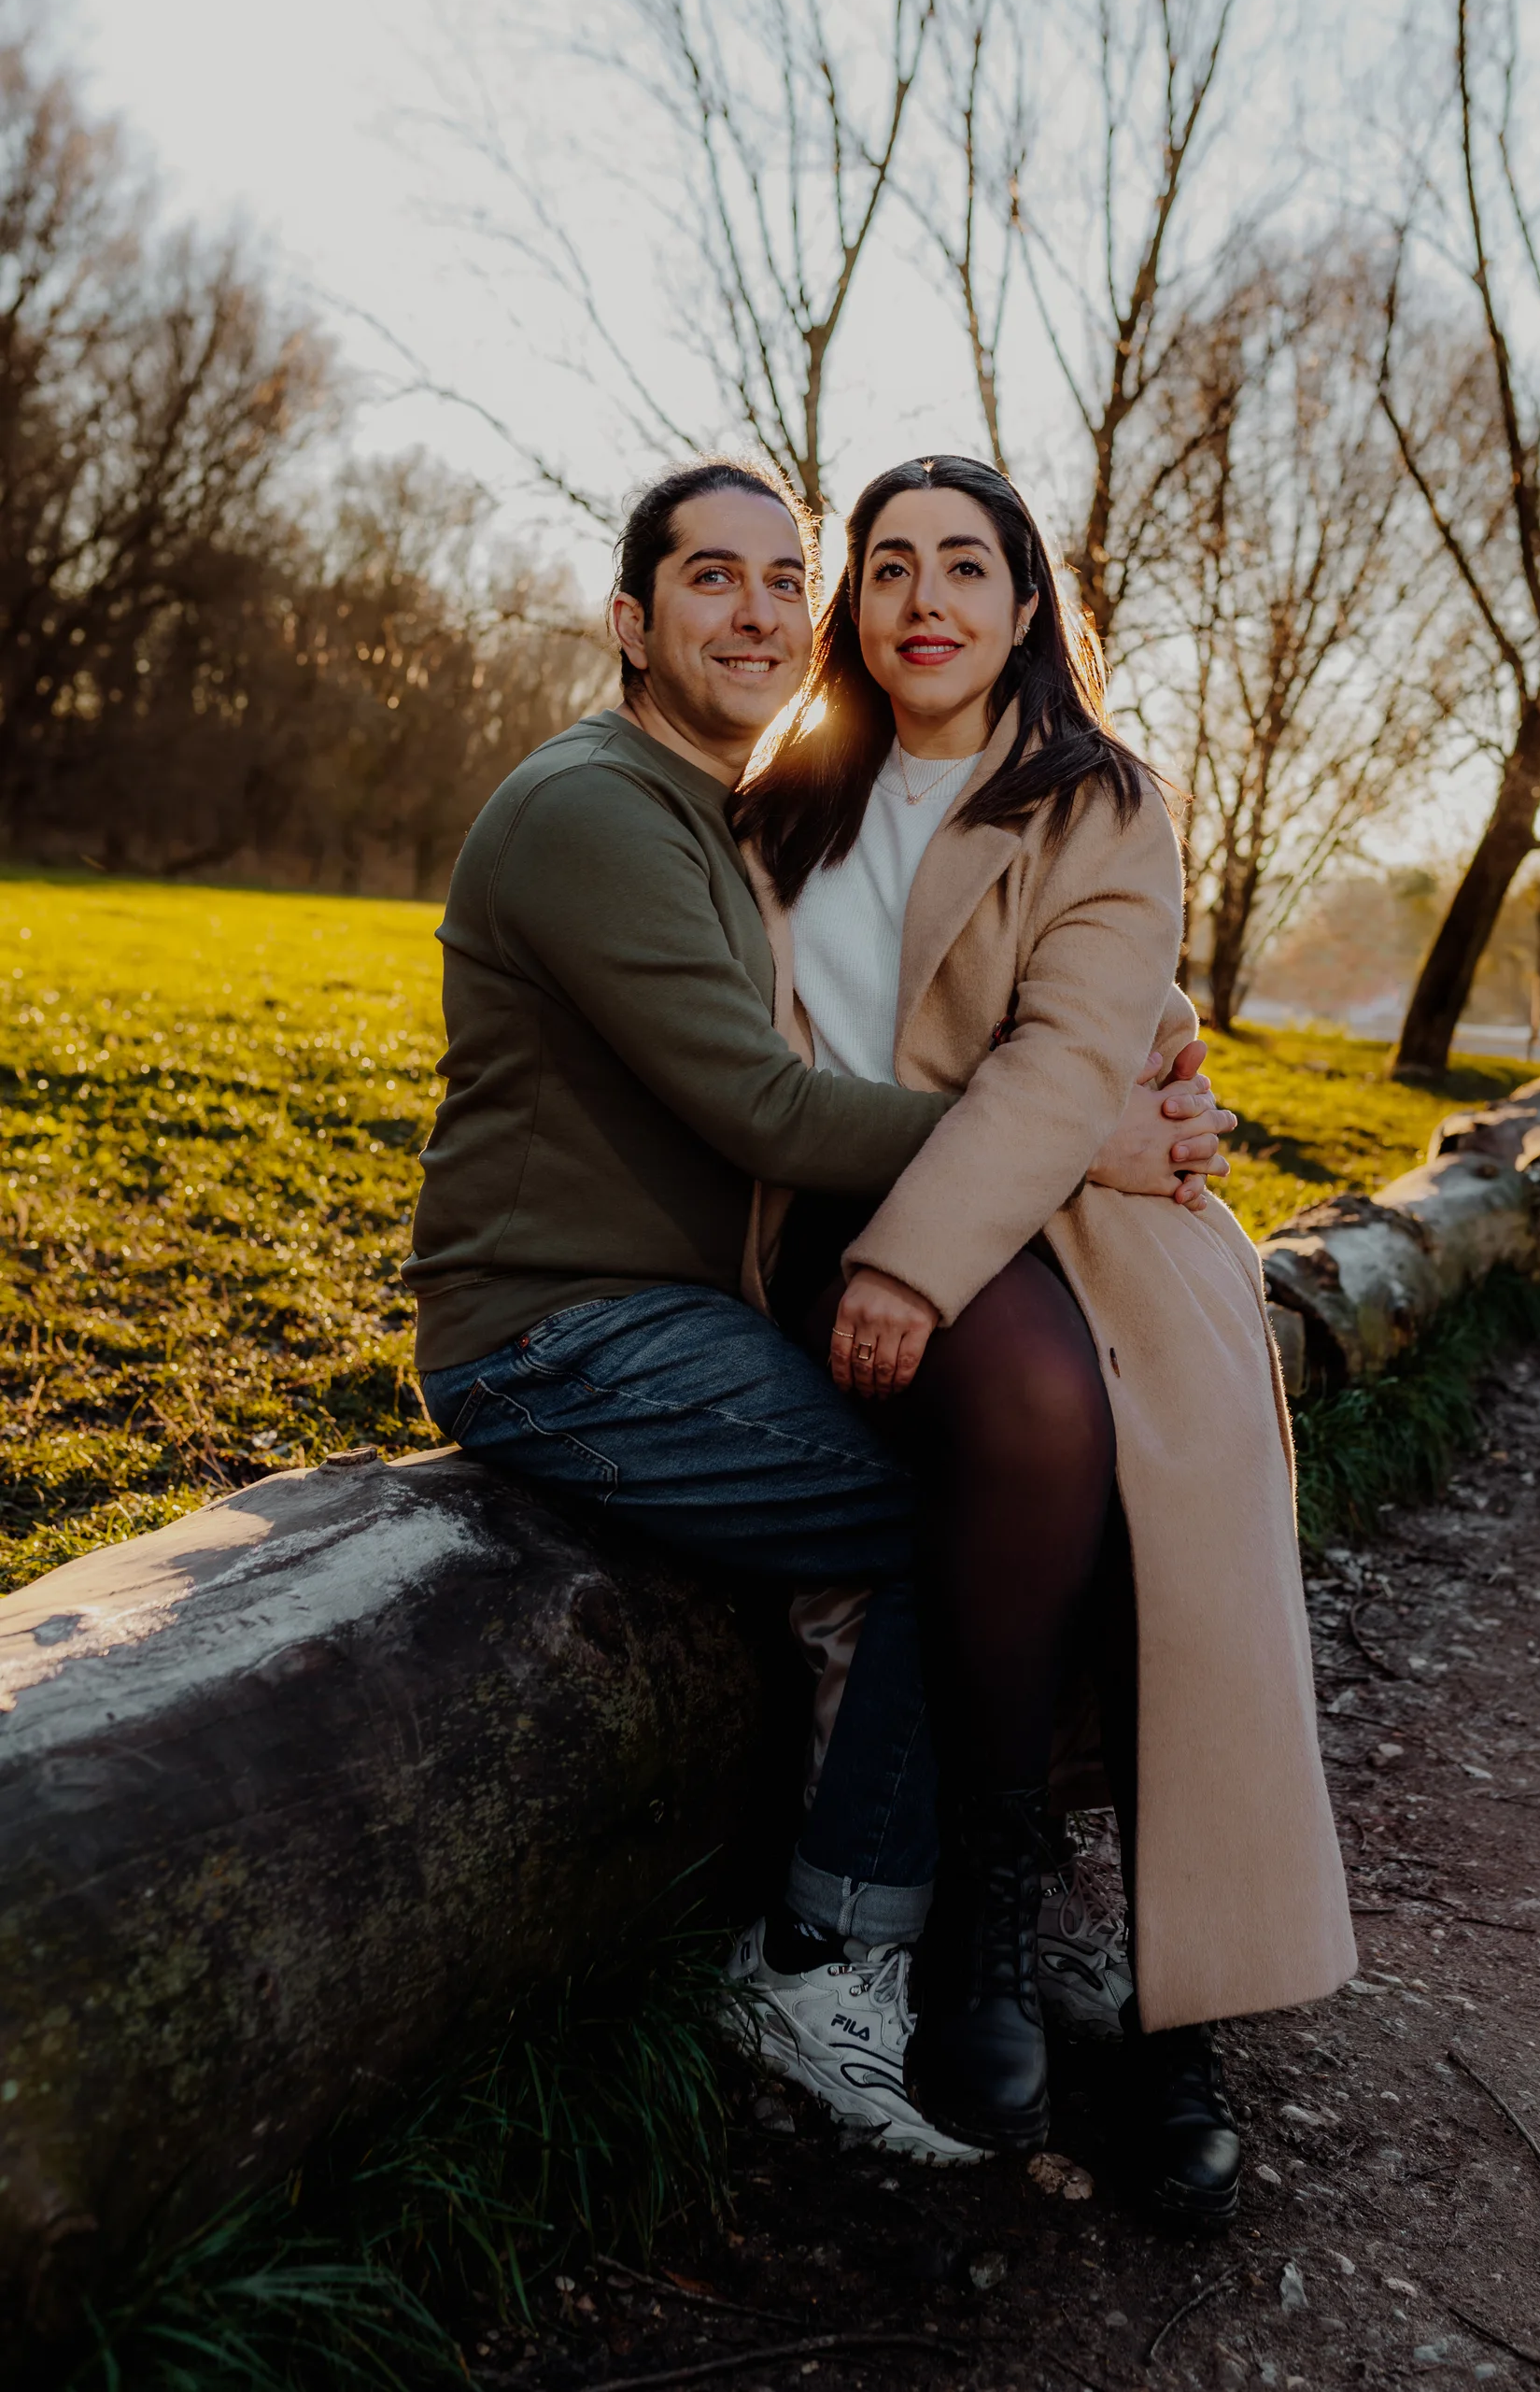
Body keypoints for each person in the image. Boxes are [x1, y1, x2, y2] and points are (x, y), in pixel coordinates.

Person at [405, 457, 1237, 2164]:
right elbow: (774, 1110)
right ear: (629, 623)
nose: (763, 612)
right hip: (560, 1331)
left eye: (786, 581)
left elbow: (1046, 982)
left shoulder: (752, 806)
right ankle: (825, 1955)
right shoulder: (597, 807)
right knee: (949, 1515)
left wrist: (1130, 1068)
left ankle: (1135, 1985)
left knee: (1062, 1476)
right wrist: (1074, 1140)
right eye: (715, 580)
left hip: (682, 1311)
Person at [734, 454, 1356, 2213]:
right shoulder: (781, 809)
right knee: (1030, 1408)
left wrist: (944, 1240)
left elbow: (1078, 1048)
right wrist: (916, 1252)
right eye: (888, 569)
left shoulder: (1101, 803)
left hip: (1098, 1221)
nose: (922, 600)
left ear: (1025, 607)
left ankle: (1182, 2016)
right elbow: (768, 1073)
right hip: (869, 1219)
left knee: (1178, 1476)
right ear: (854, 607)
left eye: (966, 568)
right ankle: (984, 1939)